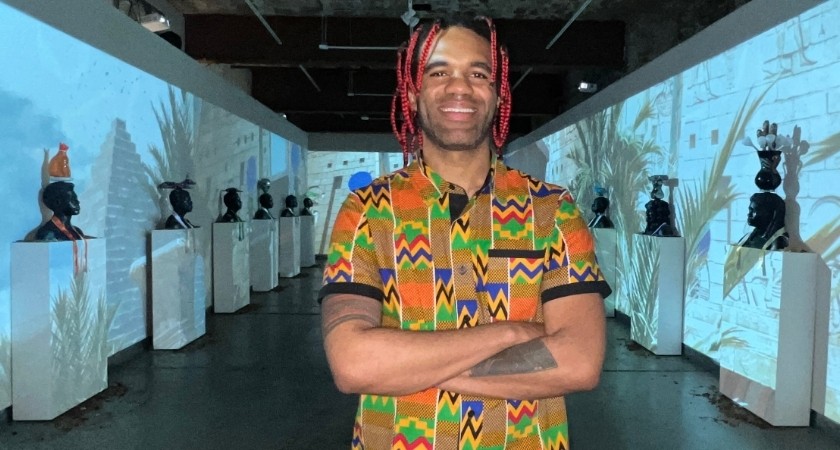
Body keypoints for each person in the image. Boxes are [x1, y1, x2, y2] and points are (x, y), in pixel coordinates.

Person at [319, 16, 610, 449]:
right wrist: (511, 333)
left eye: (478, 74)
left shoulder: (552, 211)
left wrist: (407, 366)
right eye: (439, 72)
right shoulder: (367, 212)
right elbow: (353, 364)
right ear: (414, 95)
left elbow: (580, 362)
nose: (460, 88)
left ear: (497, 95)